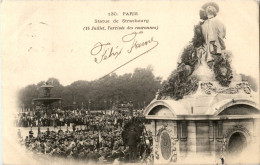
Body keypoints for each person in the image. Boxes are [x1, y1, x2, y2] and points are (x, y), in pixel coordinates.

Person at [200, 2, 226, 67]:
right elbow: (222, 35)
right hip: (215, 50)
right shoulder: (220, 22)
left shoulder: (203, 24)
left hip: (209, 52)